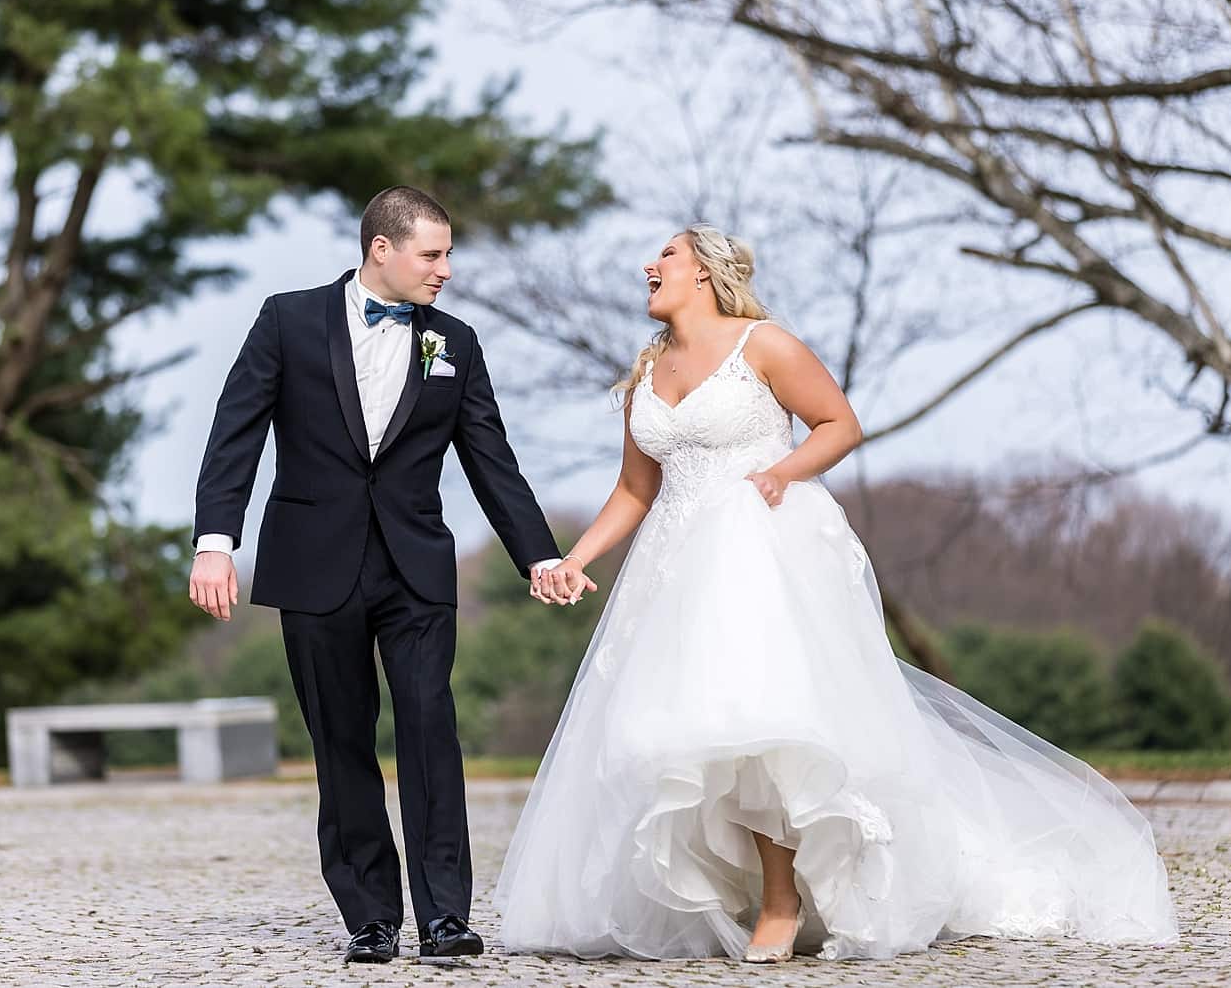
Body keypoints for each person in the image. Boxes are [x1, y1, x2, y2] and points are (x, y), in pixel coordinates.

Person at [496, 226, 1180, 963]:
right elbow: (635, 489)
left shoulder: (763, 344)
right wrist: (574, 558)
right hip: (673, 566)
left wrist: (784, 472)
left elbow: (839, 422)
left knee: (760, 719)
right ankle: (738, 891)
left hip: (759, 547)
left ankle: (784, 900)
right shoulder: (648, 371)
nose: (648, 266)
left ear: (702, 271)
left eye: (664, 255)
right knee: (680, 735)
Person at [188, 186, 564, 965]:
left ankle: (445, 916)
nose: (447, 270)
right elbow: (236, 433)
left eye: (449, 252)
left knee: (430, 728)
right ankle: (370, 916)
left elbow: (491, 457)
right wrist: (215, 541)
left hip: (415, 566)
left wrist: (539, 552)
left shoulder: (455, 340)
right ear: (381, 249)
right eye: (434, 253)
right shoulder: (287, 320)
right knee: (342, 740)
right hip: (313, 563)